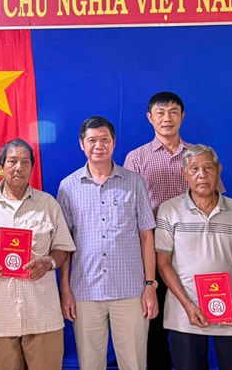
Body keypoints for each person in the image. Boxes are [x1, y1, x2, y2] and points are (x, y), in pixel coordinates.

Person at [123, 91, 225, 369]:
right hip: (155, 252)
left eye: (173, 112)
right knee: (155, 324)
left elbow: (218, 200)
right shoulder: (136, 158)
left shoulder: (199, 155)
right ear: (150, 118)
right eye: (160, 113)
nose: (166, 118)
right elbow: (128, 210)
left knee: (198, 316)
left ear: (182, 116)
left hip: (196, 251)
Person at [58, 116, 159, 370]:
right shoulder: (68, 187)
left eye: (105, 139)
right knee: (90, 364)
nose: (99, 145)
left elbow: (146, 236)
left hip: (130, 291)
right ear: (82, 144)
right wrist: (65, 290)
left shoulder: (134, 182)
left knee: (134, 364)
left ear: (114, 143)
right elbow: (64, 245)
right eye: (92, 140)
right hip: (84, 292)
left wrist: (150, 285)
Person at [0, 138, 76, 370]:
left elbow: (63, 247)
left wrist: (48, 262)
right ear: (1, 166)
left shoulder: (48, 203)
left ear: (32, 167)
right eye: (12, 161)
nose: (18, 167)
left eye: (25, 162)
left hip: (42, 312)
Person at [154, 145, 232, 370]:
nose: (202, 174)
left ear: (219, 170)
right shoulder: (169, 210)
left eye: (208, 168)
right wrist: (188, 305)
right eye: (194, 169)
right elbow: (163, 263)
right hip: (184, 314)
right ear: (184, 173)